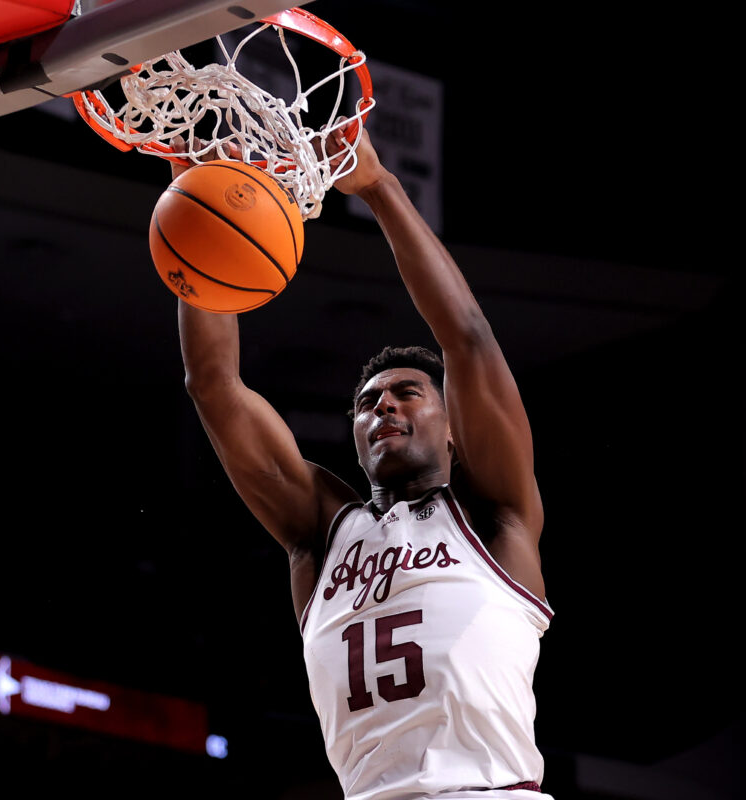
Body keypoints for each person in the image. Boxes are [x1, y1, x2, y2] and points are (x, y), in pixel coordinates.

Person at [173, 128, 554, 800]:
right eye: (367, 403)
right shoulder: (321, 533)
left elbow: (465, 336)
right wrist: (205, 229)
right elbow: (214, 385)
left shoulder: (494, 515)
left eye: (408, 393)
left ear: (455, 430)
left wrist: (379, 187)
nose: (384, 408)